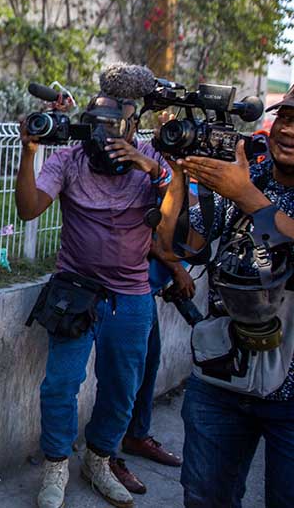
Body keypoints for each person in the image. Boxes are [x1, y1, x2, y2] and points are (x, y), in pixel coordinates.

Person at [16, 90, 171, 508]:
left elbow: (177, 225)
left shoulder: (151, 162)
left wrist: (152, 170)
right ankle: (56, 465)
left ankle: (99, 459)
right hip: (75, 291)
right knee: (60, 384)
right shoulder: (68, 160)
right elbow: (29, 209)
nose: (103, 135)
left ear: (132, 126)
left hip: (131, 296)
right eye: (95, 124)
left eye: (113, 126)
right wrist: (29, 153)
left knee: (123, 388)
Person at [157, 88, 294, 508]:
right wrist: (177, 177)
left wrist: (246, 196)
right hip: (222, 376)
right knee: (204, 498)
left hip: (291, 394)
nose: (289, 129)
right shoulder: (247, 173)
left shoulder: (244, 186)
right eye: (284, 117)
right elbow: (174, 244)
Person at [109, 255, 191, 494]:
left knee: (148, 367)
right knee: (124, 379)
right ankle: (105, 456)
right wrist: (176, 269)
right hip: (127, 288)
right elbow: (146, 237)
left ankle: (136, 436)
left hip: (147, 287)